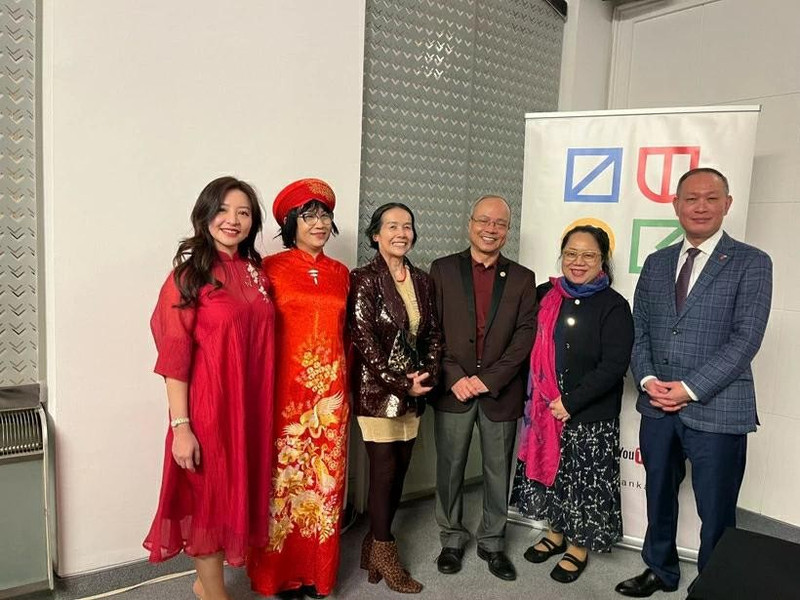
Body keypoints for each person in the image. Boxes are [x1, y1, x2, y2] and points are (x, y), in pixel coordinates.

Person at [616, 168, 772, 597]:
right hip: (657, 405)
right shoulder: (657, 261)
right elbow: (640, 327)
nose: (700, 206)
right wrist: (647, 379)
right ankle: (659, 569)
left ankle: (715, 584)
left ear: (727, 203)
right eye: (691, 199)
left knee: (716, 508)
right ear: (676, 205)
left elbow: (746, 338)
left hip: (717, 408)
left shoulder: (752, 262)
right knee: (658, 495)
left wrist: (688, 388)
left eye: (710, 198)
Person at [144, 176, 275, 600]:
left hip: (251, 408)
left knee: (237, 493)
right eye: (222, 210)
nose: (232, 220)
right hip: (208, 409)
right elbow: (175, 357)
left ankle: (206, 585)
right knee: (209, 501)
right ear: (205, 215)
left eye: (243, 212)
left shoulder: (257, 274)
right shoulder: (187, 277)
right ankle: (215, 594)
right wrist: (181, 426)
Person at [510, 225, 634, 584]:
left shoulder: (613, 306)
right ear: (561, 256)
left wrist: (571, 401)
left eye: (588, 255)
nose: (578, 262)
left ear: (602, 261)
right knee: (554, 476)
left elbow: (614, 365)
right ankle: (555, 532)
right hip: (543, 411)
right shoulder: (544, 294)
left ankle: (578, 545)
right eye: (571, 254)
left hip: (588, 414)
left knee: (582, 481)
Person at [246, 179, 350, 599]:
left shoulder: (342, 274)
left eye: (324, 214)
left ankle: (316, 575)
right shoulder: (268, 270)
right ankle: (276, 576)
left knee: (325, 487)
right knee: (282, 486)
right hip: (283, 397)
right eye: (308, 216)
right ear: (290, 223)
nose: (319, 223)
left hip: (331, 398)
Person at [429, 195, 537, 582]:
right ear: (469, 223)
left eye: (500, 224)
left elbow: (526, 336)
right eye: (484, 221)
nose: (491, 229)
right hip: (453, 390)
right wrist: (454, 375)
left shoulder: (524, 278)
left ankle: (492, 542)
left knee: (497, 470)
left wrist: (488, 379)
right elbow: (431, 329)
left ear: (508, 230)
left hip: (499, 392)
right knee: (450, 467)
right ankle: (451, 538)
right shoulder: (441, 270)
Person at [349, 202, 442, 594]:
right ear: (375, 234)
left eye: (407, 225)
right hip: (377, 393)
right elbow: (365, 342)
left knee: (400, 470)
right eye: (392, 226)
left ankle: (372, 545)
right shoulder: (364, 279)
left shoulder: (421, 279)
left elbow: (434, 333)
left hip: (413, 392)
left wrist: (427, 376)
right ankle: (386, 553)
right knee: (384, 471)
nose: (401, 232)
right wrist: (401, 384)